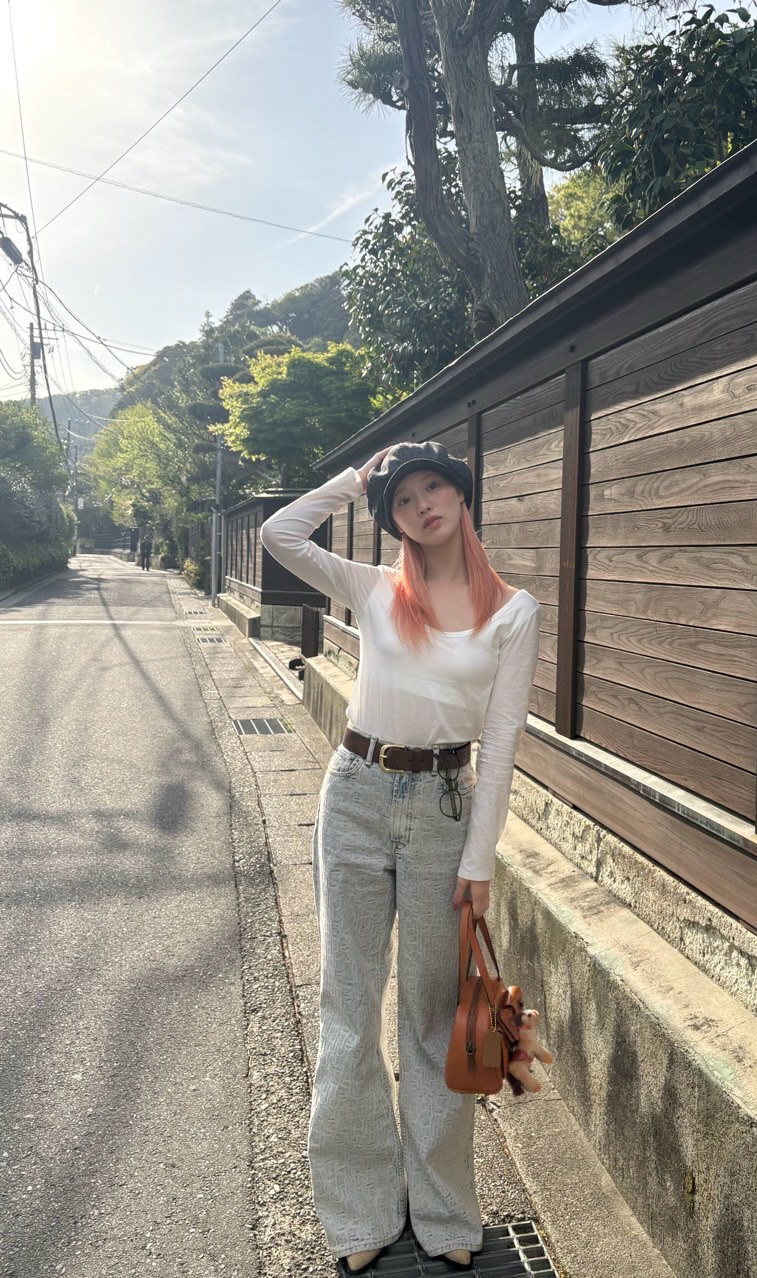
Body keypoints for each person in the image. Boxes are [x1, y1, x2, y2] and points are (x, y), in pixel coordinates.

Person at [260, 441, 540, 1276]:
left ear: (460, 495)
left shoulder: (513, 612)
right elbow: (280, 534)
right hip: (354, 794)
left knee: (431, 1018)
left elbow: (501, 743)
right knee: (348, 1009)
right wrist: (357, 479)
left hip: (445, 810)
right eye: (404, 498)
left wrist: (479, 861)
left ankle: (446, 1212)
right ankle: (359, 1212)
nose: (422, 504)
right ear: (394, 520)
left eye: (433, 487)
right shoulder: (375, 588)